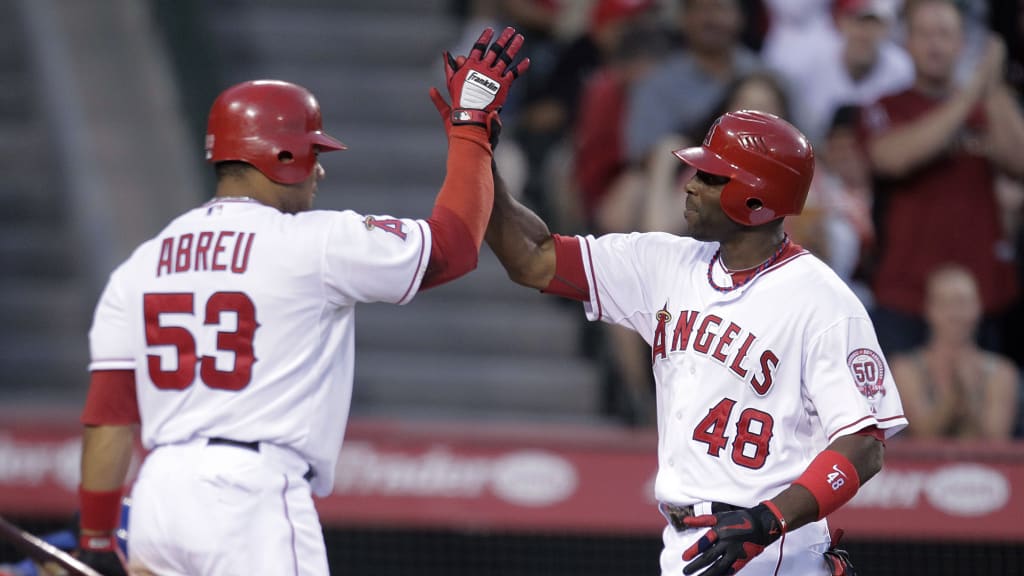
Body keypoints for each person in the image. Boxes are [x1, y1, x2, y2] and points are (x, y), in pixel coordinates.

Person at [74, 27, 529, 576]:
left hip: (158, 497)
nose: (319, 168)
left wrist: (97, 539)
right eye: (312, 152)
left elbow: (108, 417)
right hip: (248, 495)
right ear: (281, 153)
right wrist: (470, 128)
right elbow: (453, 247)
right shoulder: (310, 242)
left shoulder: (142, 264)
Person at [484, 109, 907, 575]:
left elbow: (865, 445)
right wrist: (479, 154)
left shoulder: (822, 301)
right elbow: (533, 260)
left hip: (773, 547)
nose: (690, 184)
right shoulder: (664, 263)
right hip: (686, 540)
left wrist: (771, 520)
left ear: (755, 198)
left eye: (711, 176)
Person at [861, 0, 1024, 357]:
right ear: (907, 43)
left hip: (982, 295)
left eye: (945, 34)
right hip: (905, 295)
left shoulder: (989, 107)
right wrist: (972, 91)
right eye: (924, 34)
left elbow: (1019, 161)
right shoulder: (885, 106)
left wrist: (992, 88)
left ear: (963, 44)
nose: (935, 44)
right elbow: (894, 158)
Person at [891, 264, 1020, 439]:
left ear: (978, 308)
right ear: (929, 309)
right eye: (945, 303)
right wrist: (953, 398)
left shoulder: (1002, 373)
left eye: (963, 303)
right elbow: (921, 437)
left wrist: (969, 397)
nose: (955, 313)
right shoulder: (904, 369)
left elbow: (996, 442)